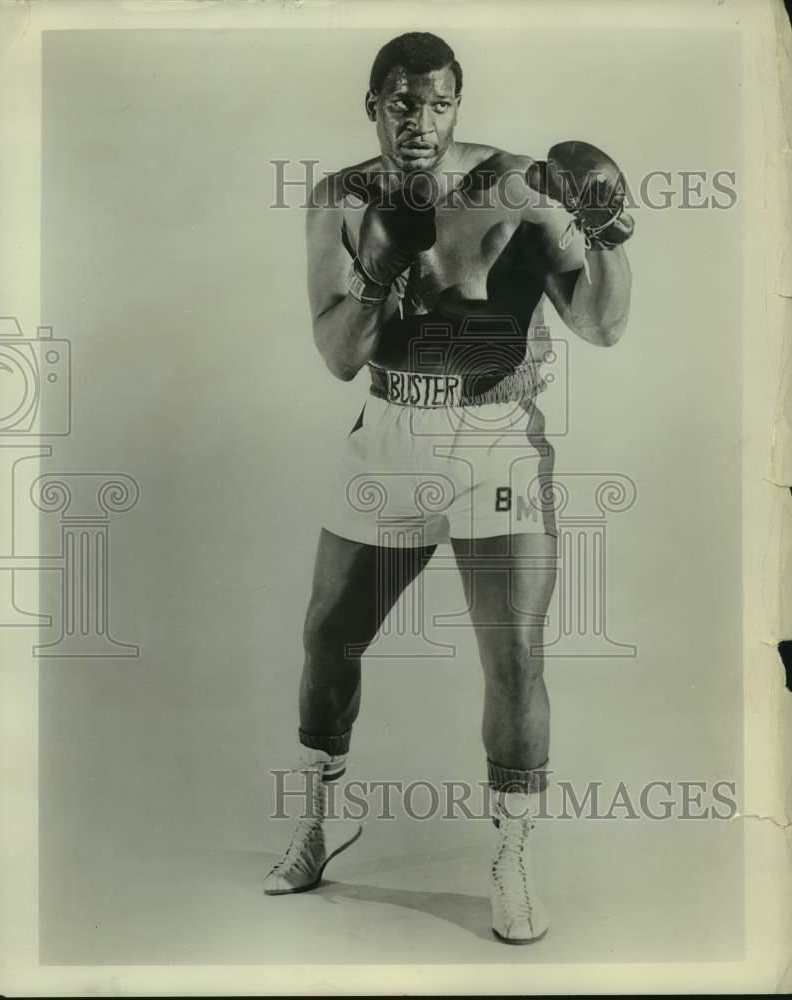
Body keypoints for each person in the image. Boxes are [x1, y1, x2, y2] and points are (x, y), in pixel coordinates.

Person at [264, 31, 633, 944]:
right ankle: (319, 818)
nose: (418, 121)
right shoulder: (340, 198)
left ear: (457, 103)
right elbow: (338, 356)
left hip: (496, 437)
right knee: (327, 636)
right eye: (400, 103)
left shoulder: (521, 186)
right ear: (372, 104)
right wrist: (380, 275)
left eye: (436, 104)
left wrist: (609, 235)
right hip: (388, 431)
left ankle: (509, 859)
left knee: (515, 657)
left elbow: (601, 326)